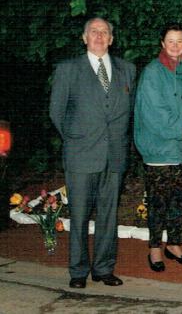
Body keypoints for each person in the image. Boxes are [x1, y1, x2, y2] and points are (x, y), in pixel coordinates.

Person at [49, 17, 136, 289]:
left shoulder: (128, 70)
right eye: (94, 32)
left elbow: (128, 111)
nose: (99, 36)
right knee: (79, 214)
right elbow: (56, 112)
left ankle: (103, 268)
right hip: (81, 153)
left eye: (105, 32)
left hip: (114, 155)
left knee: (108, 215)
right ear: (84, 38)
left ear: (112, 39)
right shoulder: (68, 69)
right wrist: (76, 138)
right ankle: (78, 271)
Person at [134, 23, 182, 272]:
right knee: (158, 201)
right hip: (160, 149)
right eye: (170, 41)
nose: (175, 46)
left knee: (178, 199)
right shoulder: (153, 72)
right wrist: (181, 130)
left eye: (180, 41)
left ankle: (174, 244)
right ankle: (154, 248)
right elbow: (155, 113)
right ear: (163, 44)